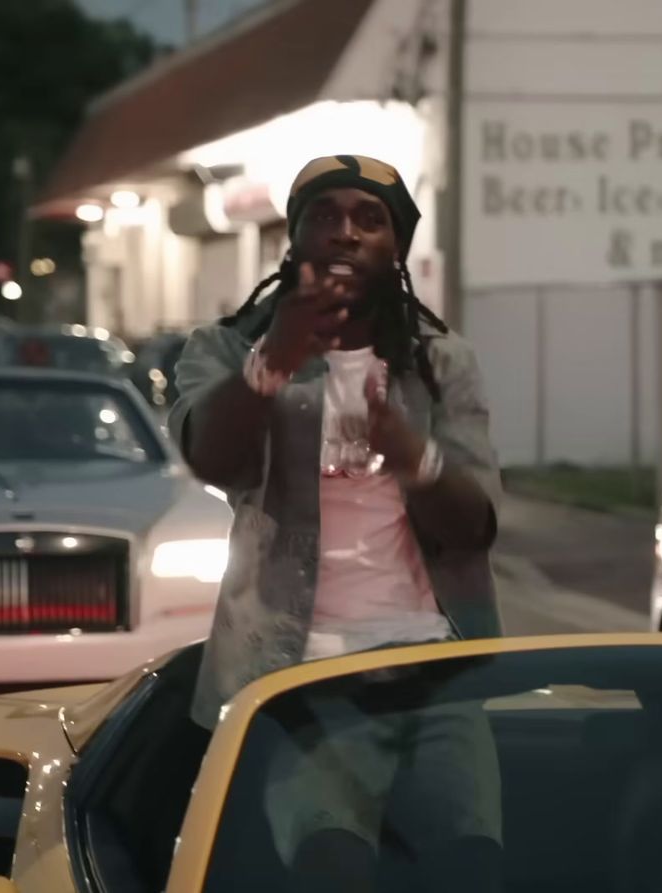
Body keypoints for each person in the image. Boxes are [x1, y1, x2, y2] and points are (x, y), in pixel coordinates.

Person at [170, 155, 503, 893]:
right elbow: (211, 456)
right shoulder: (226, 350)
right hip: (296, 679)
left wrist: (414, 456)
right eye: (324, 216)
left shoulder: (442, 363)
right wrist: (274, 363)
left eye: (368, 218)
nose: (345, 232)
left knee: (469, 867)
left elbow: (475, 525)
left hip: (435, 674)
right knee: (332, 863)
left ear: (396, 246)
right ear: (294, 241)